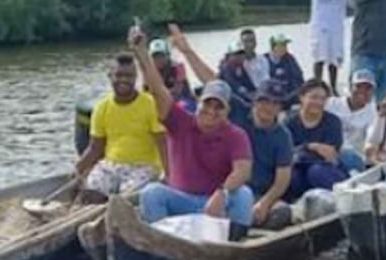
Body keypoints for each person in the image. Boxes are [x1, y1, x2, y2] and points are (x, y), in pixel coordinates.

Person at [133, 30, 257, 241]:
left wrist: (222, 193)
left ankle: (235, 246)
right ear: (198, 103)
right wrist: (142, 54)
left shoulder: (236, 134)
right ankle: (164, 243)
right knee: (151, 193)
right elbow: (158, 91)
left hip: (215, 203)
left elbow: (242, 171)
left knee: (244, 195)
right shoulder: (180, 121)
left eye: (219, 107)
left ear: (227, 111)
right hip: (181, 199)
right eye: (207, 104)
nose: (211, 111)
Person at [72, 50, 168, 202]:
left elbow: (163, 143)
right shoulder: (102, 108)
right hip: (111, 165)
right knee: (90, 193)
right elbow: (95, 147)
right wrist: (78, 168)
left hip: (143, 167)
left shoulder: (150, 104)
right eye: (119, 75)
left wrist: (168, 174)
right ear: (110, 76)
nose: (123, 80)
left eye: (129, 76)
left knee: (125, 199)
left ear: (135, 78)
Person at [285, 79, 350, 200]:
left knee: (316, 171)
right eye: (314, 97)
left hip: (326, 171)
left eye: (323, 99)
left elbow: (329, 155)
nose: (318, 102)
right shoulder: (289, 122)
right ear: (302, 97)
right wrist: (311, 146)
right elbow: (285, 153)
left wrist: (301, 152)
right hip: (298, 170)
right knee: (292, 175)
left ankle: (342, 200)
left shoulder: (333, 122)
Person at [242, 78, 294, 226]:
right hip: (233, 190)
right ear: (255, 101)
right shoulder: (239, 116)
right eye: (265, 101)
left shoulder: (283, 136)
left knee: (282, 213)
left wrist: (265, 203)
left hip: (262, 194)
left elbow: (282, 179)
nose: (269, 107)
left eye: (275, 103)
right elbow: (214, 83)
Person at [309, 0, 353, 93]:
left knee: (334, 59)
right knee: (320, 57)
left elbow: (351, 2)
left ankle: (333, 88)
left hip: (337, 27)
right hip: (321, 26)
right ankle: (317, 85)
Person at [326, 69, 385, 172]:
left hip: (354, 158)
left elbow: (372, 139)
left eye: (368, 88)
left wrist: (382, 117)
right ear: (350, 87)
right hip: (328, 152)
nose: (363, 91)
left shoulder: (373, 112)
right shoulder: (331, 103)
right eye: (358, 86)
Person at [150, 38, 193, 110]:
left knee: (182, 106)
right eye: (155, 57)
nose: (158, 59)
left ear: (168, 55)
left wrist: (159, 94)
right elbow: (145, 92)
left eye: (161, 56)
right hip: (162, 100)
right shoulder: (149, 72)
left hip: (183, 99)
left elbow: (178, 92)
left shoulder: (178, 67)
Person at [266, 34, 306, 98]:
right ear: (273, 46)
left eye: (285, 45)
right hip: (271, 96)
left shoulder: (290, 58)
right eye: (281, 45)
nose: (284, 48)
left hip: (290, 94)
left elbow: (299, 78)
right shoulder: (264, 60)